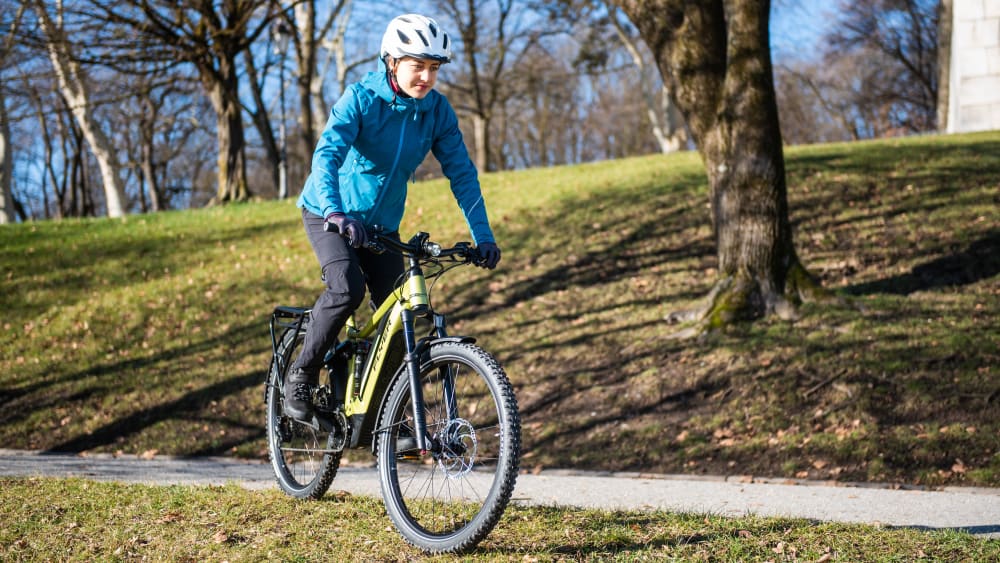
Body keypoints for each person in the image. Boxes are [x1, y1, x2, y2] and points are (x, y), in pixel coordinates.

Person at [286, 14, 501, 421]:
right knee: (347, 289)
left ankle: (391, 419)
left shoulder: (436, 112)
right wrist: (334, 210)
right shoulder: (361, 99)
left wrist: (483, 236)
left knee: (397, 315)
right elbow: (327, 155)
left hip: (381, 227)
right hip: (328, 212)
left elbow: (463, 175)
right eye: (417, 65)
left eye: (434, 68)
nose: (426, 76)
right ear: (392, 62)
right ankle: (301, 374)